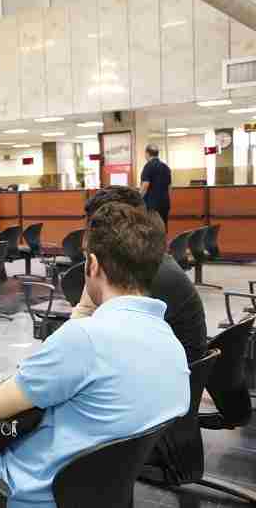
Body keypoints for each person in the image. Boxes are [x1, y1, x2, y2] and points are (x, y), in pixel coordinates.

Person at [0, 202, 190, 508]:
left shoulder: (85, 340)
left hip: (21, 493)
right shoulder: (171, 345)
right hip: (97, 493)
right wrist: (84, 311)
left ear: (93, 265)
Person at [70, 185, 207, 482]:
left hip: (153, 423)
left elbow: (88, 344)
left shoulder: (146, 279)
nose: (90, 239)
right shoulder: (142, 265)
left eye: (99, 228)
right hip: (159, 402)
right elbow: (84, 317)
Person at [140, 144, 172, 230]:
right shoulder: (166, 167)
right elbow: (169, 187)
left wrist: (138, 199)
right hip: (165, 204)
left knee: (152, 229)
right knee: (163, 228)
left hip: (152, 205)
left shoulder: (148, 166)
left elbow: (145, 185)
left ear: (147, 153)